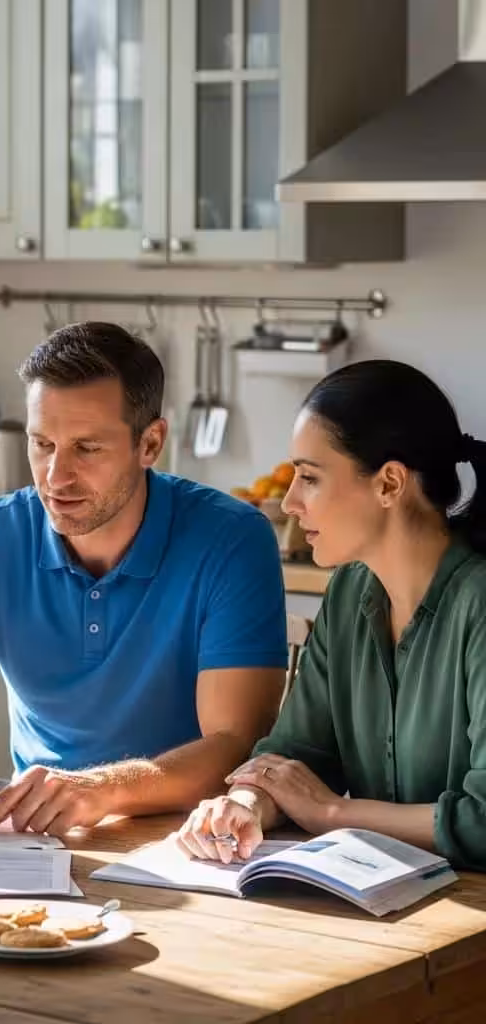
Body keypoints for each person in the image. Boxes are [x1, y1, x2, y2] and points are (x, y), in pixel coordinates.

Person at [0, 322, 288, 835]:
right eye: (42, 443)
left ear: (150, 443)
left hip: (193, 840)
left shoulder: (232, 539)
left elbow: (234, 746)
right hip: (40, 836)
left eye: (86, 449)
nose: (55, 476)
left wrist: (98, 790)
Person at [177, 360, 486, 871]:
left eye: (310, 478)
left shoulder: (477, 603)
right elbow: (295, 751)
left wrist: (333, 812)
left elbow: (480, 819)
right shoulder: (350, 590)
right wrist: (248, 803)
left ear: (389, 484)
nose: (291, 502)